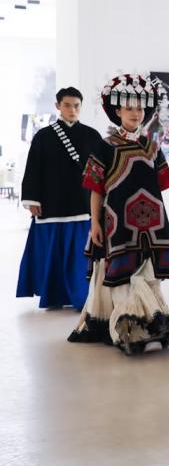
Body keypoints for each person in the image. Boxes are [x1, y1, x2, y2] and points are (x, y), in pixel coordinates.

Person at [69, 73, 169, 354]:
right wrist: (95, 222)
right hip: (117, 224)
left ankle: (147, 323)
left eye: (140, 108)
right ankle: (126, 328)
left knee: (145, 273)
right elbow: (96, 189)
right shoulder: (105, 146)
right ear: (117, 111)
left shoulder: (152, 146)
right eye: (129, 108)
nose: (136, 113)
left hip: (150, 225)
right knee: (120, 275)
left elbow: (159, 186)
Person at [17, 87, 103, 309]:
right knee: (52, 255)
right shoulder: (43, 136)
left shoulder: (92, 136)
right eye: (67, 105)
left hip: (82, 204)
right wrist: (32, 199)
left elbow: (102, 171)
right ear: (58, 106)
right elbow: (33, 168)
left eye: (76, 106)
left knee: (80, 256)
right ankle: (53, 296)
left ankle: (80, 297)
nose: (72, 110)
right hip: (51, 204)